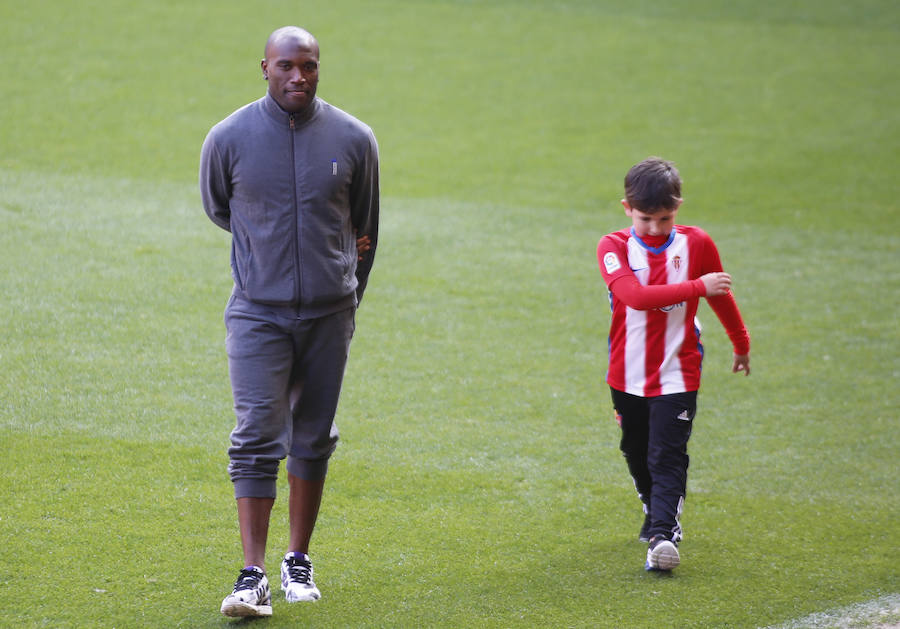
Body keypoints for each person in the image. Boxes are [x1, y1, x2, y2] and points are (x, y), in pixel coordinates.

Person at [199, 26, 379, 617]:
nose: (298, 76)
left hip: (330, 314)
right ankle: (252, 576)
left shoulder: (355, 139)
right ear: (264, 68)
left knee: (314, 436)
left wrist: (344, 293)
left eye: (308, 66)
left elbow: (365, 228)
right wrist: (270, 257)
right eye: (285, 66)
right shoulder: (228, 138)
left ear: (319, 67)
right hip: (257, 313)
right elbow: (221, 209)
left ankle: (297, 560)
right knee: (254, 436)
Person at [596, 157, 750, 572]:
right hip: (625, 372)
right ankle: (653, 508)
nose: (655, 227)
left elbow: (721, 296)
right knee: (635, 449)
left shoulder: (697, 243)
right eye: (646, 218)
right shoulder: (612, 247)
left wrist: (741, 342)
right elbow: (636, 298)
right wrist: (698, 285)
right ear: (626, 208)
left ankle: (663, 536)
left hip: (678, 370)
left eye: (665, 218)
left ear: (677, 207)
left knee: (667, 454)